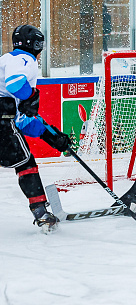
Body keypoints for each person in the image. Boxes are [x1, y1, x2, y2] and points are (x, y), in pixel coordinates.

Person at [0, 25, 71, 232]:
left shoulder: (5, 59)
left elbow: (23, 122)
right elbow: (15, 85)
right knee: (26, 163)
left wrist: (54, 138)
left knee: (22, 157)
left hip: (5, 118)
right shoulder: (25, 60)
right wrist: (30, 96)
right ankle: (41, 214)